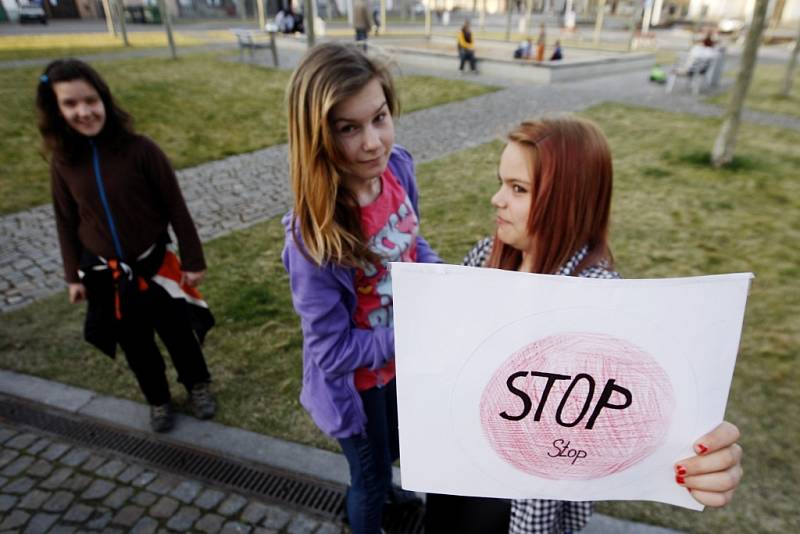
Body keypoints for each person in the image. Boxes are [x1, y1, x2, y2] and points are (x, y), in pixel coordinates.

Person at [446, 116, 745, 533]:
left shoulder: (605, 304)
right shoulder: (486, 257)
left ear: (566, 199)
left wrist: (697, 453)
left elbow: (639, 408)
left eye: (518, 189)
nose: (496, 199)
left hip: (527, 504)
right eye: (502, 182)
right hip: (461, 474)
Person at [282, 43, 441, 534]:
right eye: (349, 129)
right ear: (317, 138)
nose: (373, 142)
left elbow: (410, 243)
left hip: (400, 370)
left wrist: (442, 279)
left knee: (396, 454)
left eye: (380, 117)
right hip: (358, 387)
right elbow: (330, 351)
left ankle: (398, 497)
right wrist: (411, 334)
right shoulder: (315, 237)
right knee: (367, 482)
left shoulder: (398, 169)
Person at [36, 59, 217, 433]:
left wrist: (192, 258)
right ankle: (158, 399)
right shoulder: (63, 163)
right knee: (136, 346)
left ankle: (197, 384)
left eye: (91, 100)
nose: (84, 111)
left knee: (178, 333)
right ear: (57, 110)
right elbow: (66, 220)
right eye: (70, 104)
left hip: (155, 265)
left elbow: (175, 207)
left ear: (104, 98)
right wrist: (74, 276)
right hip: (107, 276)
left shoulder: (140, 150)